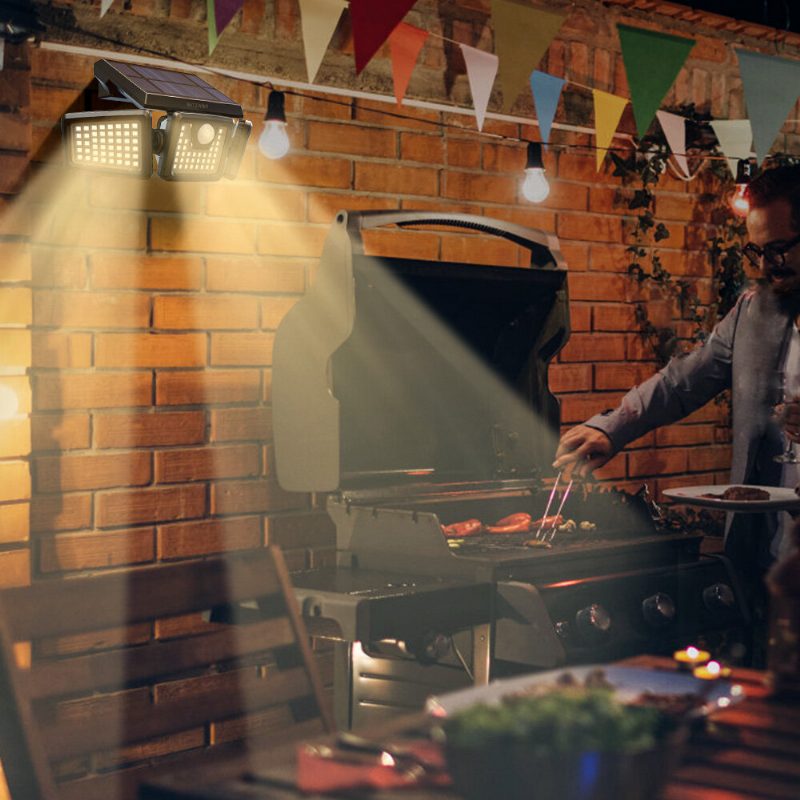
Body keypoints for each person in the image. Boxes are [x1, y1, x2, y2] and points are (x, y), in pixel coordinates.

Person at [553, 164, 800, 657]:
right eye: (756, 251)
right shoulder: (754, 311)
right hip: (762, 559)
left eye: (779, 250)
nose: (766, 264)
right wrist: (611, 429)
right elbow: (681, 381)